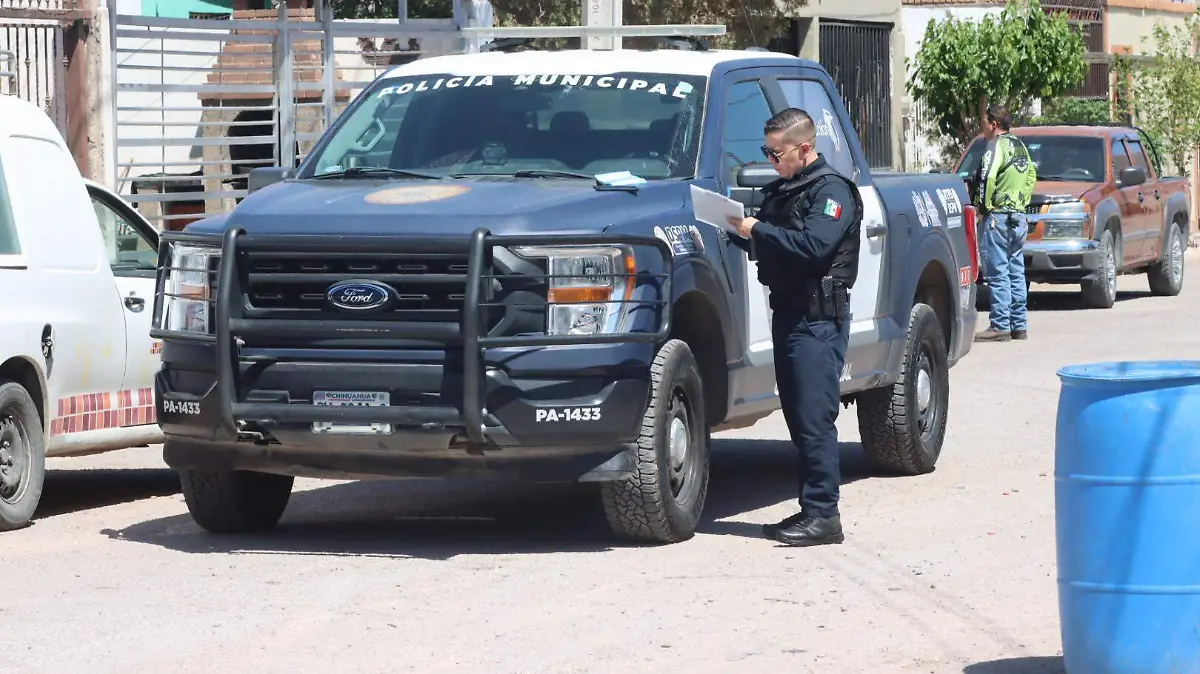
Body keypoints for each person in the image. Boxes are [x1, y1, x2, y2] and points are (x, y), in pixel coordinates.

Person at [725, 107, 862, 547]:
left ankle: (825, 516)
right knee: (799, 418)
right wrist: (736, 230)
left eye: (776, 153)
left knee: (814, 419)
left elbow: (815, 246)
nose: (771, 161)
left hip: (818, 320)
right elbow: (775, 243)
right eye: (766, 152)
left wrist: (757, 230)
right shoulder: (785, 191)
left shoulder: (832, 191)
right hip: (789, 313)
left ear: (804, 148)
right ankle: (811, 508)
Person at [972, 104, 1037, 342]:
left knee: (998, 274)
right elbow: (1031, 177)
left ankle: (1000, 325)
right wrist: (1021, 201)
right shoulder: (1019, 146)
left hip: (998, 217)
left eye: (984, 121)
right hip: (1018, 216)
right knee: (1016, 273)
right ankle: (1019, 325)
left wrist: (984, 206)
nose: (981, 125)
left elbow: (987, 177)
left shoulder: (995, 146)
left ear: (994, 123)